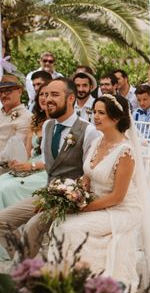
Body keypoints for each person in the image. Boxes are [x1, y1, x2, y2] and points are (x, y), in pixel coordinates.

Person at [0, 78, 100, 259]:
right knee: (1, 221)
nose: (47, 99)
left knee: (33, 226)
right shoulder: (48, 126)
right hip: (47, 193)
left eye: (55, 95)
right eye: (46, 95)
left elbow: (89, 176)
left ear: (70, 99)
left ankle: (21, 274)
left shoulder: (88, 131)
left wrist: (64, 199)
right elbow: (49, 164)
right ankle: (25, 266)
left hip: (71, 200)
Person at [49, 94, 141, 286]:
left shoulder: (125, 152)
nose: (95, 117)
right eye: (94, 112)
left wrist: (81, 207)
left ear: (115, 118)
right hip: (95, 203)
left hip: (120, 210)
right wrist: (71, 195)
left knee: (68, 228)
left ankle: (83, 281)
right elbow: (86, 177)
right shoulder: (97, 141)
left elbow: (117, 197)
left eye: (101, 113)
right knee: (59, 222)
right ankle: (62, 279)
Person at [0, 84, 49, 209]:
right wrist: (17, 163)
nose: (44, 98)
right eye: (42, 94)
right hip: (28, 166)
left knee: (4, 188)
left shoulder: (60, 123)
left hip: (45, 171)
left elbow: (58, 160)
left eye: (48, 95)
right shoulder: (35, 121)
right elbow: (26, 153)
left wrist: (31, 166)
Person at [0, 74, 32, 154]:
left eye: (8, 91)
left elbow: (15, 152)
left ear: (19, 91)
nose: (3, 95)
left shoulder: (27, 117)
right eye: (0, 92)